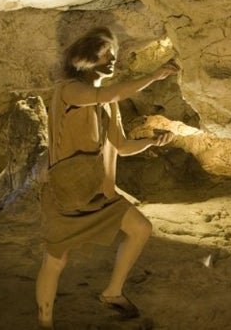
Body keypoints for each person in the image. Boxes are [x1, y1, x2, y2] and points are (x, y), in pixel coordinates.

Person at [36, 27, 179, 329]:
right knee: (56, 260)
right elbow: (107, 92)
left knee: (141, 228)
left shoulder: (109, 104)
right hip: (69, 193)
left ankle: (112, 293)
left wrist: (152, 142)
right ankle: (45, 321)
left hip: (99, 192)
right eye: (103, 54)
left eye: (113, 54)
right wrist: (153, 76)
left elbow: (123, 147)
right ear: (82, 58)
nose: (111, 59)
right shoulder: (69, 90)